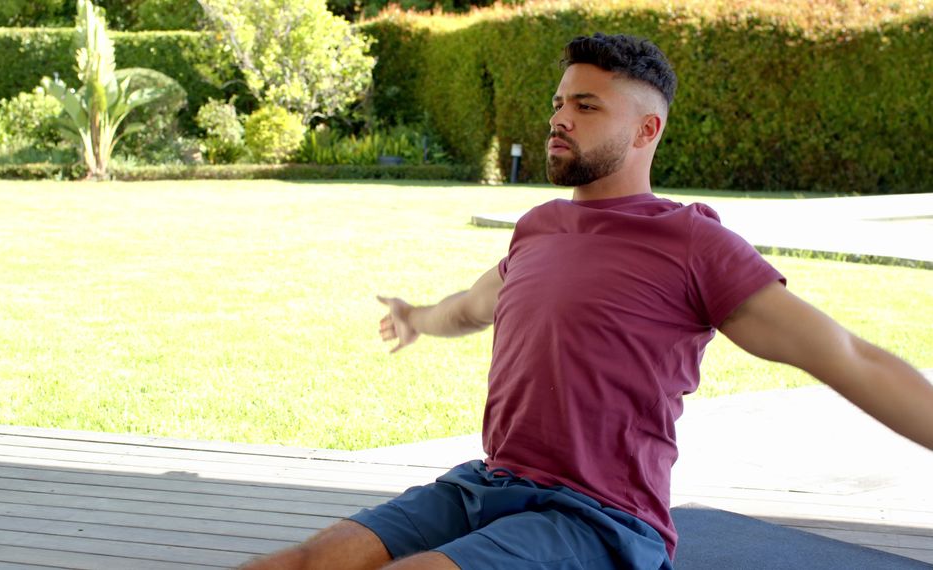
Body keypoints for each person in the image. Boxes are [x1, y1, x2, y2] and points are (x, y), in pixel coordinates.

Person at [241, 33, 933, 570]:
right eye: (558, 104)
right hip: (487, 484)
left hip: (602, 519)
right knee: (307, 560)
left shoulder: (694, 244)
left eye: (586, 105)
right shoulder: (539, 227)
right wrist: (415, 316)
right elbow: (474, 306)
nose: (559, 119)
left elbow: (849, 357)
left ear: (646, 130)